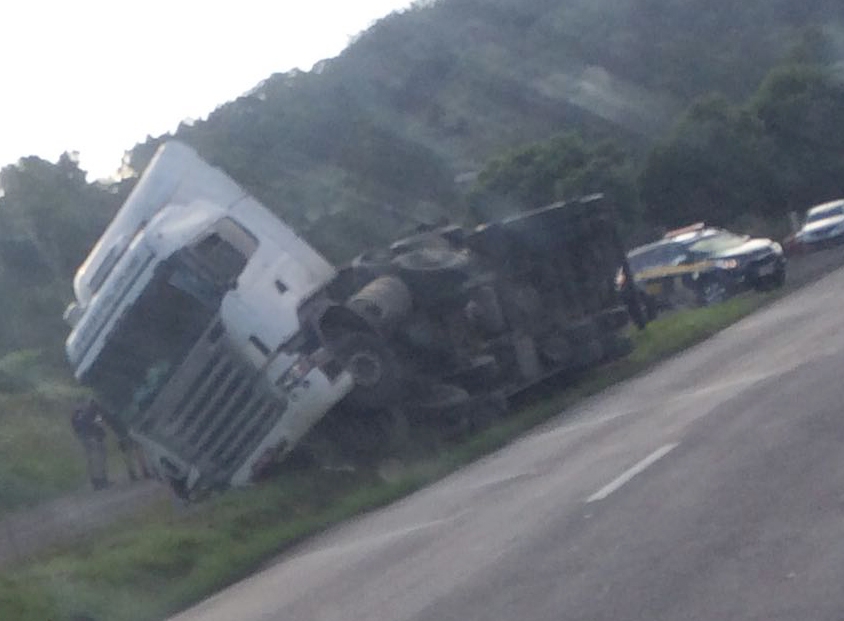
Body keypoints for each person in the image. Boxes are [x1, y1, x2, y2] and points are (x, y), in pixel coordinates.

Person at [99, 405, 151, 482]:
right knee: (137, 451)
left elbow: (103, 424)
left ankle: (133, 473)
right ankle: (144, 471)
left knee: (128, 455)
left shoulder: (106, 414)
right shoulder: (118, 411)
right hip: (128, 433)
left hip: (120, 436)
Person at [71, 399, 109, 490]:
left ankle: (95, 481)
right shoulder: (92, 412)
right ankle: (102, 480)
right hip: (95, 438)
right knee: (99, 459)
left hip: (85, 440)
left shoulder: (75, 417)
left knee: (91, 460)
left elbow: (76, 430)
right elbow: (99, 423)